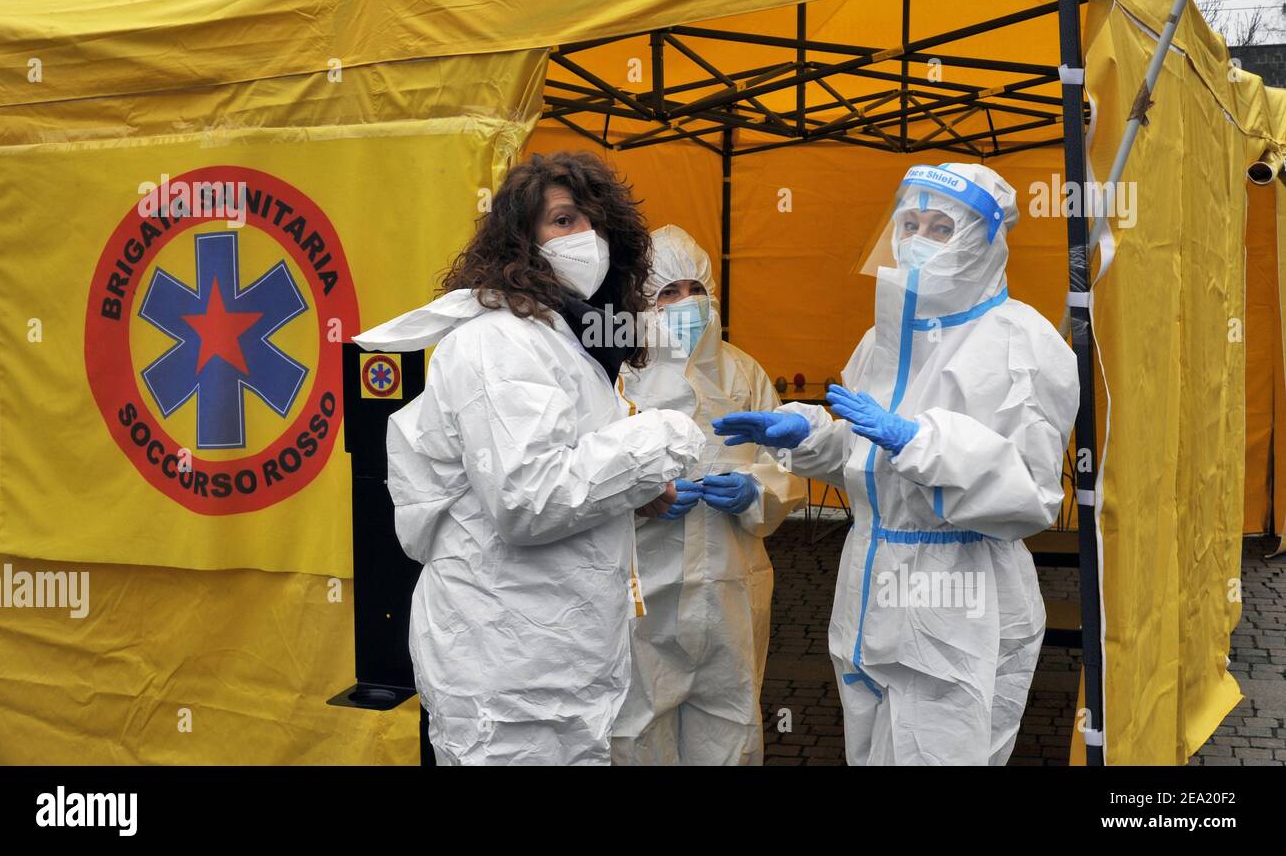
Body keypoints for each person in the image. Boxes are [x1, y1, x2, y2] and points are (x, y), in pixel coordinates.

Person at [714, 162, 1079, 766]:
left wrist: (919, 441)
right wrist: (806, 434)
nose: (918, 240)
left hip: (958, 596)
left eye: (941, 228)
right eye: (909, 224)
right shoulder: (884, 338)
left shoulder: (1022, 344)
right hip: (868, 592)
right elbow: (867, 459)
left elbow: (1031, 496)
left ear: (987, 239)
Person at [353, 151, 705, 766]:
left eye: (594, 222)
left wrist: (629, 490)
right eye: (563, 220)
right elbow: (527, 499)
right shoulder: (500, 340)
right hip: (509, 678)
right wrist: (662, 438)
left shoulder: (559, 336)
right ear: (520, 238)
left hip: (550, 666)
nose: (584, 238)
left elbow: (559, 469)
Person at [609, 226, 805, 766]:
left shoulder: (744, 373)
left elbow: (787, 469)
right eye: (666, 292)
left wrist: (754, 492)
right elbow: (584, 477)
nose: (685, 302)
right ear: (640, 300)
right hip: (645, 594)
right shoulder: (620, 375)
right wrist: (641, 497)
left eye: (695, 288)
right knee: (635, 730)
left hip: (730, 592)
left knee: (732, 726)